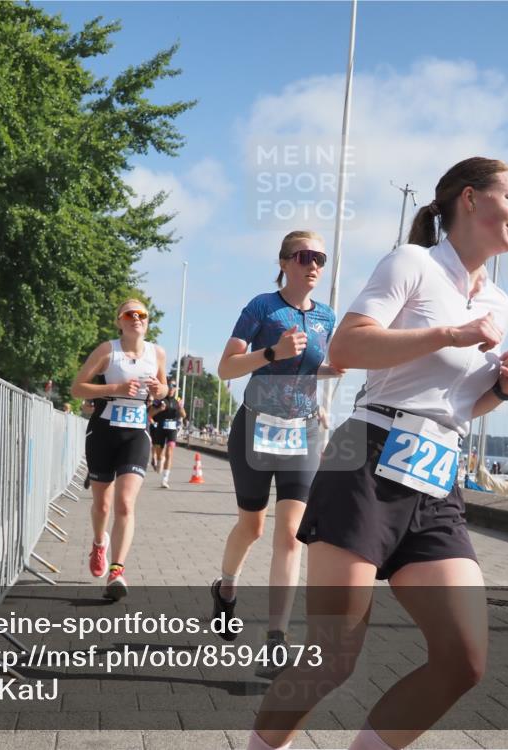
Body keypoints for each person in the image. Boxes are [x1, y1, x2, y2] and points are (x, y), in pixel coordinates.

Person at [248, 157, 508, 750]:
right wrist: (449, 335)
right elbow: (349, 345)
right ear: (472, 199)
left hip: (437, 480)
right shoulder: (413, 263)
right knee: (333, 658)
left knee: (464, 660)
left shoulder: (501, 305)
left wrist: (501, 388)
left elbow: (455, 404)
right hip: (365, 459)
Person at [211, 230, 343, 679]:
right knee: (251, 526)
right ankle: (226, 587)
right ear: (285, 261)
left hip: (302, 432)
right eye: (305, 256)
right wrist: (271, 352)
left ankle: (276, 640)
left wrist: (331, 369)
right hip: (254, 428)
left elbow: (309, 366)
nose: (314, 264)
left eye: (320, 258)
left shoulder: (326, 316)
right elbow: (226, 367)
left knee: (290, 534)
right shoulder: (261, 308)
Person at [71, 299, 168, 601]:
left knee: (125, 503)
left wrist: (158, 390)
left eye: (142, 315)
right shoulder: (107, 351)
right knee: (102, 506)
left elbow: (165, 388)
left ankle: (117, 570)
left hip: (136, 433)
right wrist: (114, 388)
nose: (136, 318)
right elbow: (77, 388)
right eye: (130, 314)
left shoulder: (157, 353)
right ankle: (99, 543)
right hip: (103, 432)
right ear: (120, 321)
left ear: (147, 322)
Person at [149, 381, 186, 488]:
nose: (171, 389)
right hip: (160, 428)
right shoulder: (159, 400)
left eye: (173, 387)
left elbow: (183, 415)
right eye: (169, 386)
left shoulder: (177, 401)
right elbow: (150, 414)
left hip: (172, 429)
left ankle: (165, 479)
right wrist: (159, 409)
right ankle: (160, 459)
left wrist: (181, 408)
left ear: (176, 389)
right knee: (160, 454)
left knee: (170, 452)